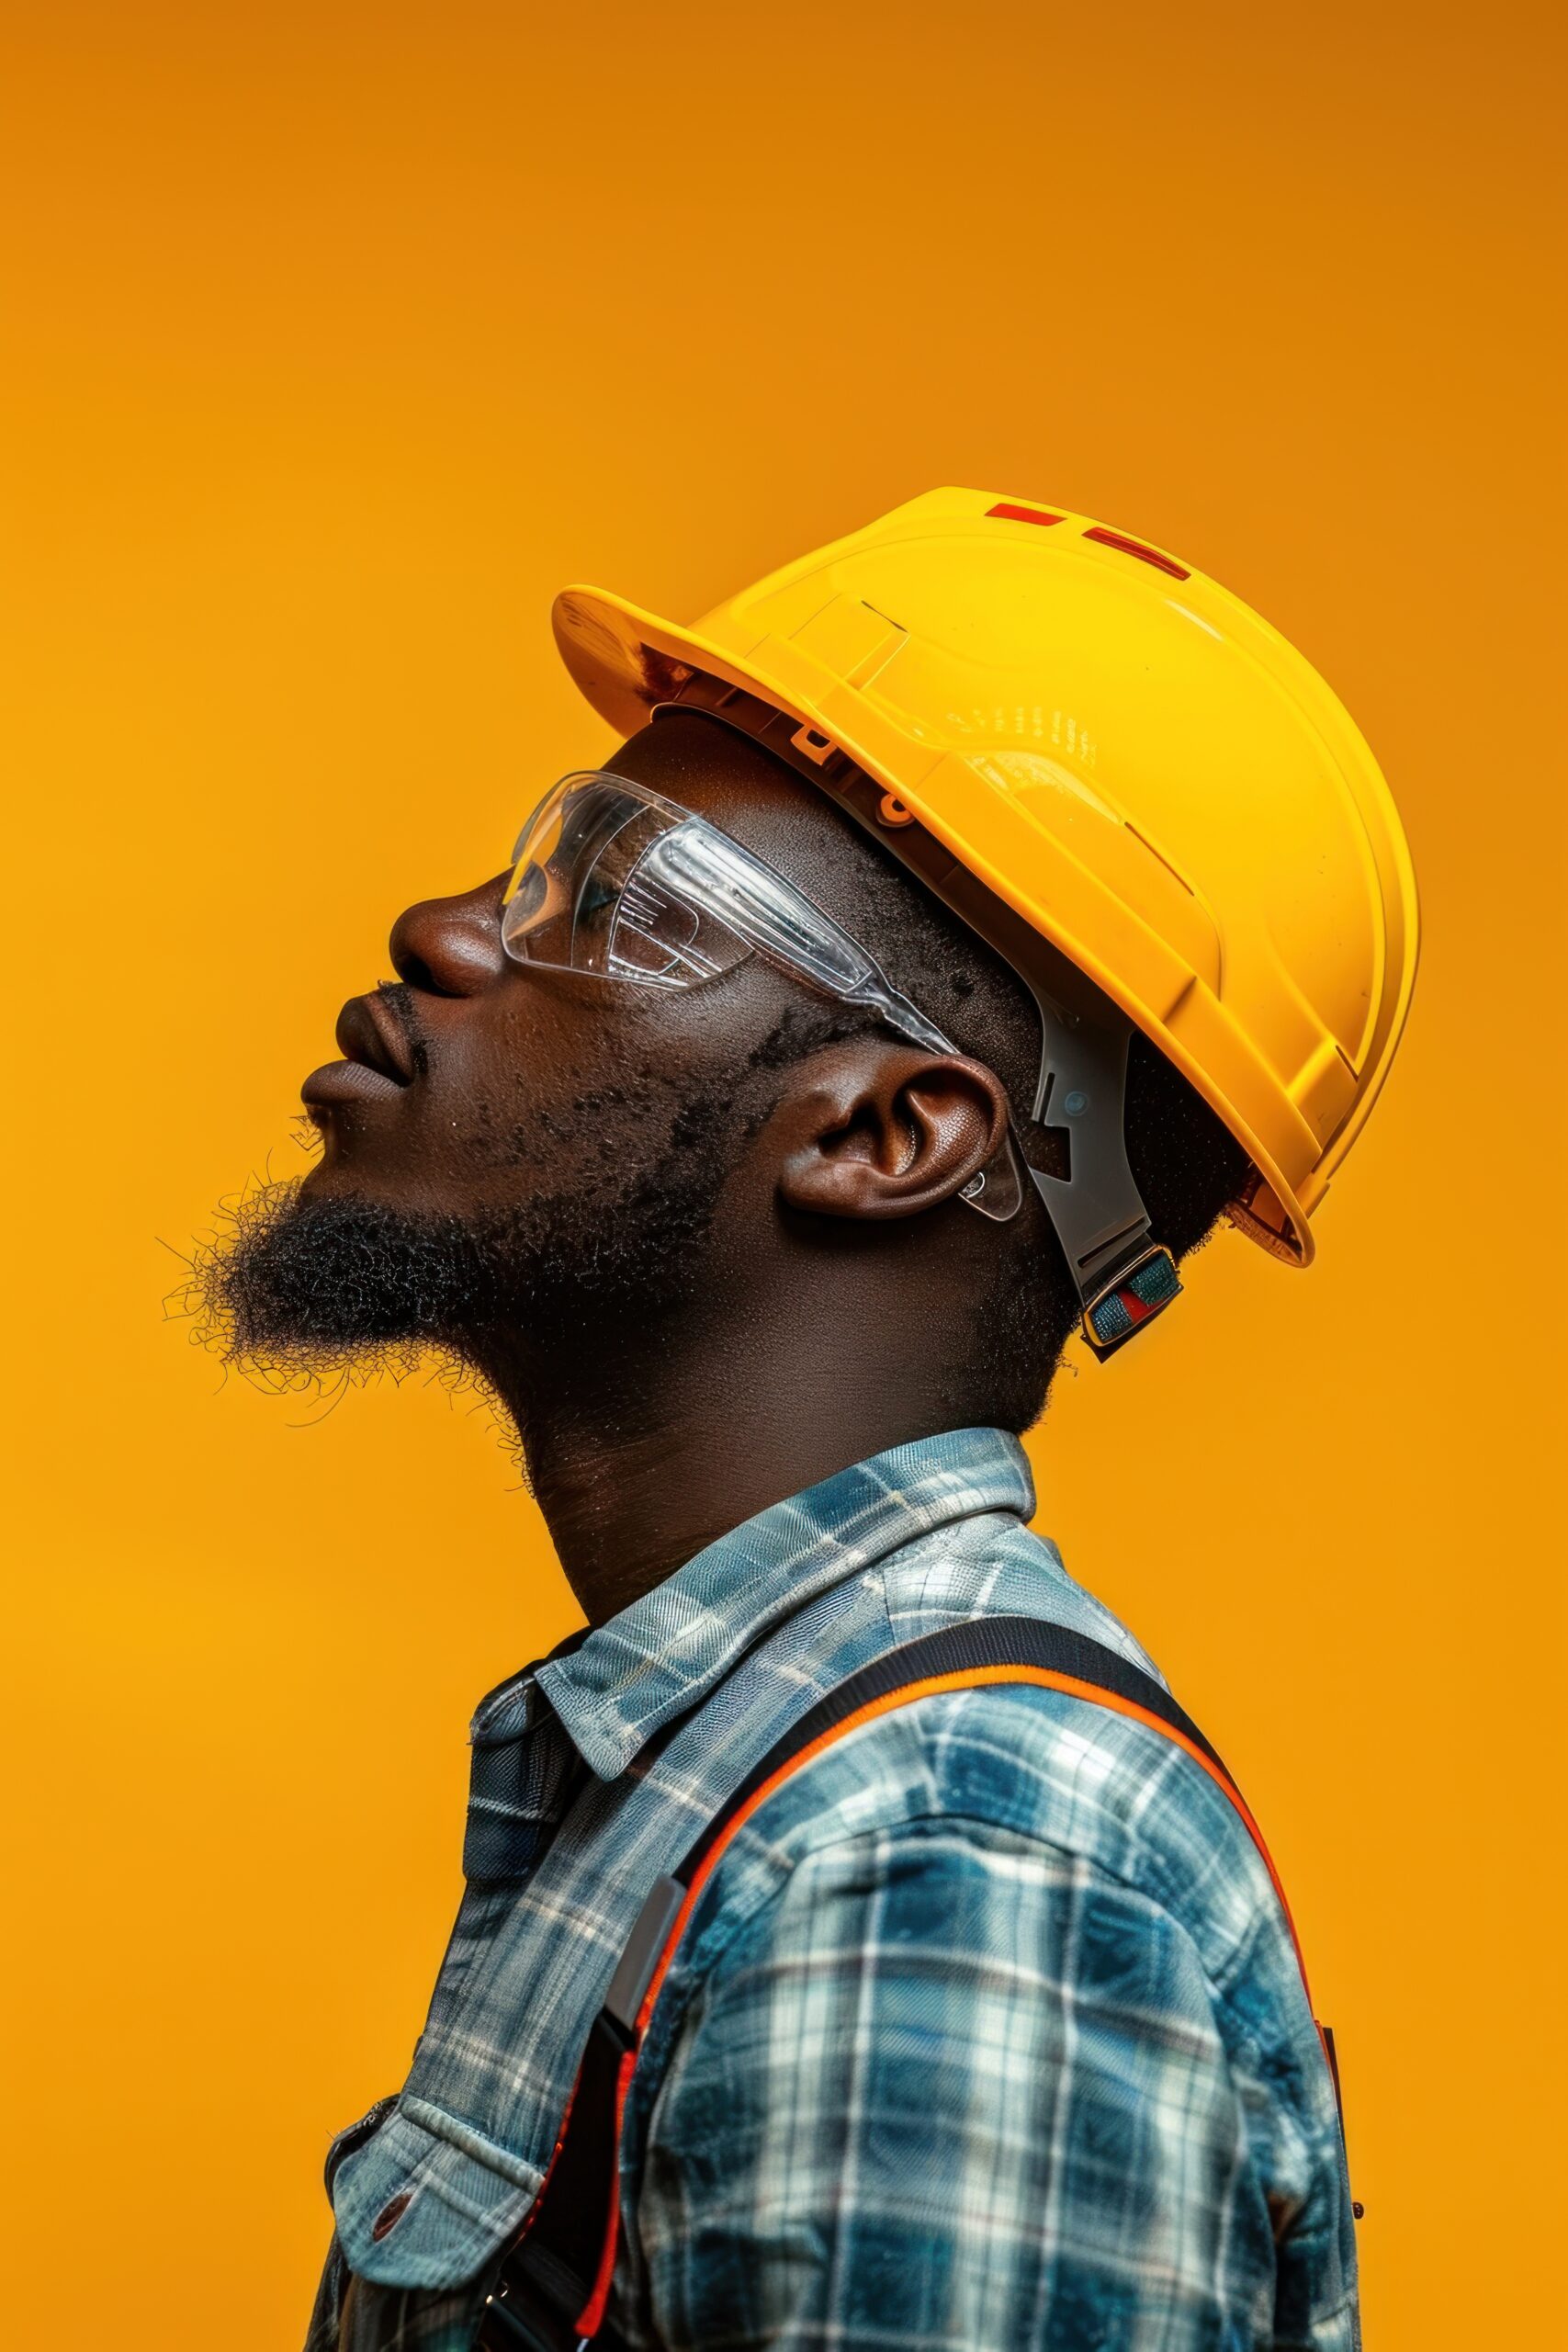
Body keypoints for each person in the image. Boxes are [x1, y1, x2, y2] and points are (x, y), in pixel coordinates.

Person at [203, 489, 1416, 2351]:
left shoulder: (938, 1863)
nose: (443, 930)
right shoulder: (754, 1788)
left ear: (878, 1134)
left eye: (599, 894)